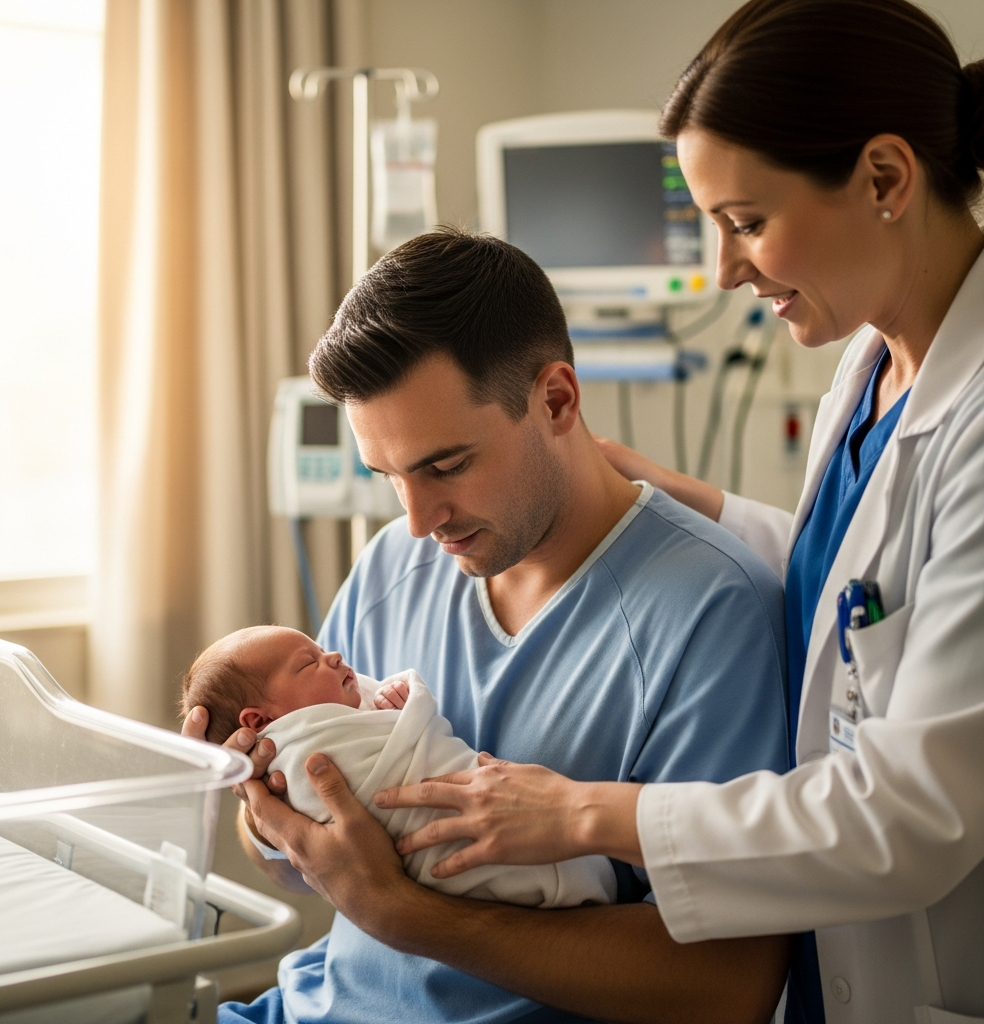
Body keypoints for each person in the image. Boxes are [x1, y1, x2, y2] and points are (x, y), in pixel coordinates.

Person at [373, 3, 984, 1023]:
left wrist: (575, 812)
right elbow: (871, 596)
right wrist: (688, 500)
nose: (724, 268)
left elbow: (912, 815)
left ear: (884, 178)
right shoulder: (873, 363)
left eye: (745, 221)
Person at [184, 228, 794, 1023]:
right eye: (388, 476)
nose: (416, 520)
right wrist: (265, 804)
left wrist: (412, 919)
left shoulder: (712, 612)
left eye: (445, 466)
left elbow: (727, 987)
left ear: (556, 401)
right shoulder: (387, 574)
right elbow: (314, 865)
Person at [180, 626, 617, 907]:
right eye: (309, 661)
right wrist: (261, 811)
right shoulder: (303, 750)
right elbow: (310, 869)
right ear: (259, 722)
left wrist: (393, 909)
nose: (333, 655)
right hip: (316, 990)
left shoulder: (327, 704)